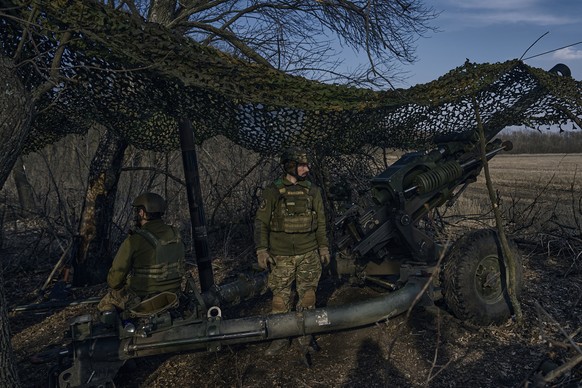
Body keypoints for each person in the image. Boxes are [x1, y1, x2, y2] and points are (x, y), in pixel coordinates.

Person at [254, 147, 330, 356]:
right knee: (280, 299)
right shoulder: (272, 191)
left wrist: (323, 247)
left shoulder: (313, 191)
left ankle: (305, 336)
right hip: (281, 255)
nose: (307, 168)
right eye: (302, 165)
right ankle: (280, 338)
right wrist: (262, 250)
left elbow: (321, 223)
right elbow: (260, 223)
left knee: (308, 297)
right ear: (290, 166)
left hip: (308, 253)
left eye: (307, 164)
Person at [98, 192, 186, 313]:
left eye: (139, 210)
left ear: (142, 213)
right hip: (174, 294)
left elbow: (114, 281)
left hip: (144, 299)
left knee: (105, 304)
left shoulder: (135, 240)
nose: (138, 213)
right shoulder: (176, 234)